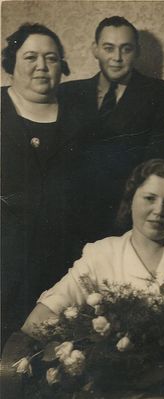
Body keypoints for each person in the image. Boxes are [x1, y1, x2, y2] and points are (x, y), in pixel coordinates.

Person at [22, 159, 164, 399]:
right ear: (131, 199)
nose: (159, 211)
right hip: (112, 388)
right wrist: (95, 356)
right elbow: (36, 322)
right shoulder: (102, 253)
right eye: (149, 199)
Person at [1, 23, 87, 347]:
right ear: (12, 63)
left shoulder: (79, 119)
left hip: (59, 267)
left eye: (51, 58)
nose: (41, 66)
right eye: (30, 57)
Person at [58, 16, 164, 241]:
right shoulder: (67, 94)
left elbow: (159, 163)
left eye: (126, 49)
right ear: (95, 50)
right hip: (71, 221)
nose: (116, 58)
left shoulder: (162, 95)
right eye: (108, 48)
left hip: (126, 222)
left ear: (137, 52)